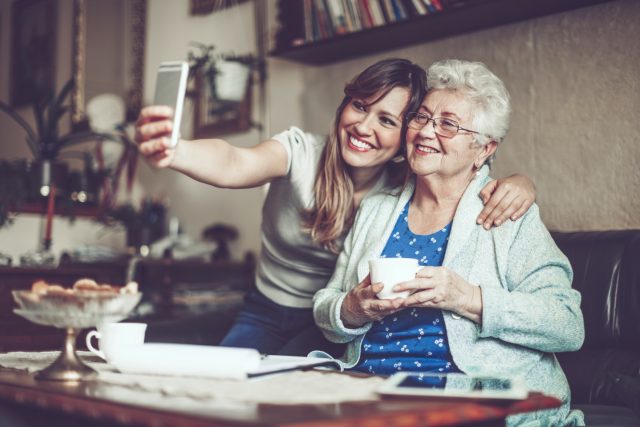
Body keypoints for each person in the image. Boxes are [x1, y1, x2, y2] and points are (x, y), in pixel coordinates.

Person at [135, 58, 536, 356]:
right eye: (360, 106)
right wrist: (175, 150)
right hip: (266, 308)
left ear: (405, 136)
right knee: (219, 392)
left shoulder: (404, 184)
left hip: (330, 322)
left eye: (387, 120)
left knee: (282, 399)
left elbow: (466, 165)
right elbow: (233, 161)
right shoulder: (301, 154)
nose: (364, 128)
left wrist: (522, 183)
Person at [313, 59, 584, 426]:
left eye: (448, 124)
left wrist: (468, 298)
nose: (426, 132)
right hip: (370, 393)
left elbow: (567, 325)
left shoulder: (507, 213)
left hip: (469, 400)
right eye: (421, 117)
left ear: (484, 149)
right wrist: (352, 309)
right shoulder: (376, 211)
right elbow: (326, 308)